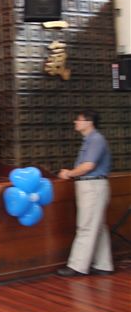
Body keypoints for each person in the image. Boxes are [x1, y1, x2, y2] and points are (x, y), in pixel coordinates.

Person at [56, 110, 114, 277]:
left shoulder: (95, 139)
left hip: (92, 186)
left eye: (79, 120)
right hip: (93, 185)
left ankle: (77, 266)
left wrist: (69, 173)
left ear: (89, 122)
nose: (76, 122)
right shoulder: (92, 139)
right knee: (98, 226)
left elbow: (88, 165)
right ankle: (104, 264)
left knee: (86, 226)